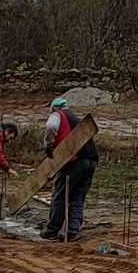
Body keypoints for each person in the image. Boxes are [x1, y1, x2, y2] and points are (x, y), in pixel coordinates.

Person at [42, 96, 98, 241]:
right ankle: (73, 231)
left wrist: (48, 145)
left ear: (54, 108)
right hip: (91, 161)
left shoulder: (57, 114)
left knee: (60, 195)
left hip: (73, 161)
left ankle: (52, 230)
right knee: (77, 198)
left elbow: (51, 127)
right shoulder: (77, 121)